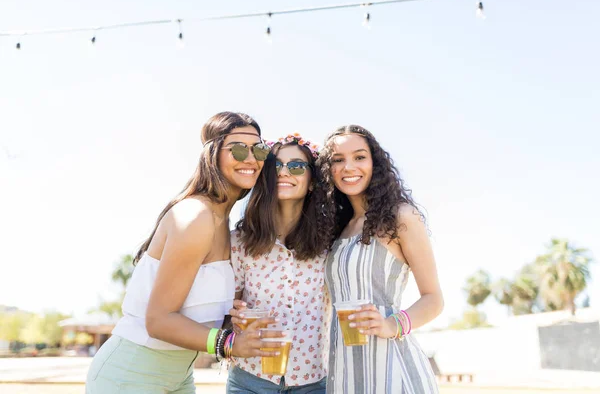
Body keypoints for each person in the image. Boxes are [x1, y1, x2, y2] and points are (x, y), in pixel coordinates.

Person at [86, 112, 285, 394]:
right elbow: (159, 320)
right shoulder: (195, 216)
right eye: (239, 149)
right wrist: (229, 344)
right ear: (212, 154)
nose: (251, 159)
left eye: (259, 149)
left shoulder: (223, 222)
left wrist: (235, 319)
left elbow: (193, 313)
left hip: (179, 377)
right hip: (131, 375)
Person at [317, 125, 443, 394]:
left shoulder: (401, 217)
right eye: (338, 160)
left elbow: (433, 299)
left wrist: (390, 324)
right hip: (344, 374)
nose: (349, 166)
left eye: (359, 157)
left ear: (375, 163)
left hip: (393, 371)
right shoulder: (338, 228)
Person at [227, 133, 330, 393]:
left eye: (296, 166)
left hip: (314, 382)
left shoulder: (331, 244)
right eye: (276, 166)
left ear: (311, 183)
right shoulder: (240, 242)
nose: (284, 172)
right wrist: (233, 319)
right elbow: (227, 314)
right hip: (249, 379)